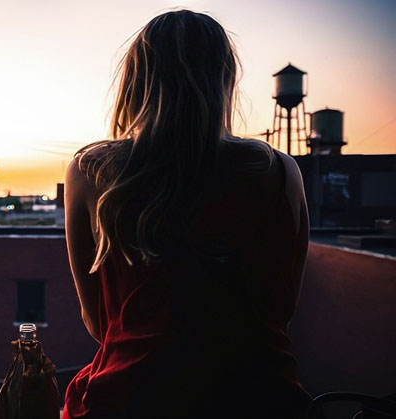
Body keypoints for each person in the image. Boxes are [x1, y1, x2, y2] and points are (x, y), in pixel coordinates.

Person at [63, 10, 311, 418]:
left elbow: (99, 325)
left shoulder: (94, 172)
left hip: (131, 399)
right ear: (225, 80)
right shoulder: (279, 171)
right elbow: (281, 309)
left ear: (135, 81)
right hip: (260, 398)